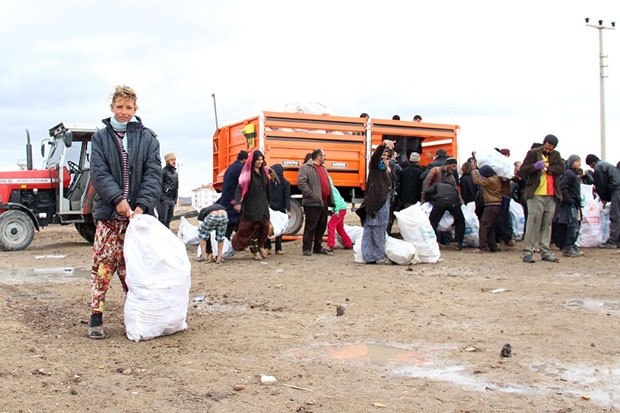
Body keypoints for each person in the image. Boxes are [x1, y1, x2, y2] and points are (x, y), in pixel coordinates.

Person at [88, 85, 161, 339]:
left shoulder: (148, 138)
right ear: (111, 108)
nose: (123, 112)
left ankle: (137, 318)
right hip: (109, 215)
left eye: (128, 107)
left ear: (135, 109)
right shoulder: (100, 138)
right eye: (119, 107)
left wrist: (142, 205)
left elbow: (154, 173)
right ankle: (96, 316)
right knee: (103, 266)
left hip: (137, 220)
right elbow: (98, 172)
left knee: (135, 271)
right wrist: (117, 199)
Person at [520, 134, 565, 263]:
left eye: (551, 149)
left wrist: (547, 169)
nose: (548, 150)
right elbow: (523, 169)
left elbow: (561, 168)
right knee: (533, 222)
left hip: (551, 194)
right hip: (535, 194)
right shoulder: (533, 153)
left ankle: (545, 251)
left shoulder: (556, 155)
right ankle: (528, 252)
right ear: (543, 144)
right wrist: (535, 167)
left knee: (547, 223)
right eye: (547, 147)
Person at [357, 140, 395, 263]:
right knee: (373, 229)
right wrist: (383, 145)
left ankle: (374, 255)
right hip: (375, 203)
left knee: (379, 229)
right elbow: (375, 157)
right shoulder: (374, 167)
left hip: (383, 202)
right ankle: (373, 256)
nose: (384, 158)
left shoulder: (386, 170)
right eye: (383, 155)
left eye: (386, 156)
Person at [231, 150, 271, 260]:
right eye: (258, 159)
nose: (260, 161)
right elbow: (239, 188)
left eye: (261, 159)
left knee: (265, 225)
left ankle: (261, 246)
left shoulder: (264, 172)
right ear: (253, 160)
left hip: (263, 204)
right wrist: (237, 202)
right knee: (251, 228)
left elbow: (267, 188)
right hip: (251, 205)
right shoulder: (247, 173)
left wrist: (269, 201)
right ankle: (254, 251)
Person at [422, 157, 465, 249]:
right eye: (453, 166)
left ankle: (433, 242)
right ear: (447, 164)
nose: (454, 168)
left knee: (433, 221)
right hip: (449, 201)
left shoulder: (451, 176)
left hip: (439, 201)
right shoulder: (436, 171)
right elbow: (426, 183)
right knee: (460, 220)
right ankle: (459, 243)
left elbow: (427, 189)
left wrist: (427, 197)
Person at [297, 149, 334, 256]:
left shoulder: (323, 168)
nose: (325, 158)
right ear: (318, 156)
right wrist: (312, 194)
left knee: (322, 225)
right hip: (312, 202)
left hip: (324, 201)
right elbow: (301, 183)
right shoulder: (306, 168)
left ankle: (317, 247)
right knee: (310, 226)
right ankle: (307, 248)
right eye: (324, 155)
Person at [585, 154, 620, 248]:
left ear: (592, 163)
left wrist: (603, 197)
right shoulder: (607, 165)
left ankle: (613, 241)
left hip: (617, 190)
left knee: (615, 216)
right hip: (617, 188)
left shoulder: (599, 167)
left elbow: (601, 183)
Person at [215, 150, 248, 239]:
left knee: (230, 221)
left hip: (226, 198)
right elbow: (243, 184)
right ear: (244, 160)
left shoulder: (231, 167)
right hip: (233, 199)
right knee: (231, 222)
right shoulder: (240, 169)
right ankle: (225, 241)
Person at [471, 165, 502, 252]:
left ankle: (483, 246)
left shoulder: (490, 180)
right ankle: (492, 246)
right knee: (491, 226)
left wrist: (474, 171)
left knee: (484, 225)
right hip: (497, 204)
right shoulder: (497, 178)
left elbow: (477, 181)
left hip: (491, 204)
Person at [558, 155, 584, 257]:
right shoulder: (568, 174)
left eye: (579, 161)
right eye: (576, 161)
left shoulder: (574, 174)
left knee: (576, 225)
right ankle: (568, 246)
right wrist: (569, 200)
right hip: (571, 203)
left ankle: (572, 245)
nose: (579, 163)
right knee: (572, 225)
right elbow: (563, 187)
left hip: (575, 203)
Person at [264, 164, 291, 255]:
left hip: (281, 209)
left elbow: (287, 197)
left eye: (272, 172)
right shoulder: (269, 183)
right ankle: (267, 246)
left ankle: (278, 247)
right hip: (270, 209)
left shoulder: (285, 184)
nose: (271, 174)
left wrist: (288, 210)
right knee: (268, 228)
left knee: (280, 229)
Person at [325, 177, 353, 253]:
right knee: (339, 227)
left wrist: (336, 211)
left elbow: (336, 201)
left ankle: (330, 245)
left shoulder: (331, 191)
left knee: (331, 225)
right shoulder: (333, 189)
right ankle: (348, 243)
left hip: (339, 209)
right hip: (342, 208)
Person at [157, 152, 178, 228]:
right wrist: (163, 198)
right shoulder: (163, 172)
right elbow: (159, 185)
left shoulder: (175, 174)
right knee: (162, 221)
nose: (174, 161)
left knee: (169, 220)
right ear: (167, 161)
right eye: (172, 160)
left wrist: (175, 200)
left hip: (171, 200)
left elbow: (176, 187)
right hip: (164, 200)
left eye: (174, 159)